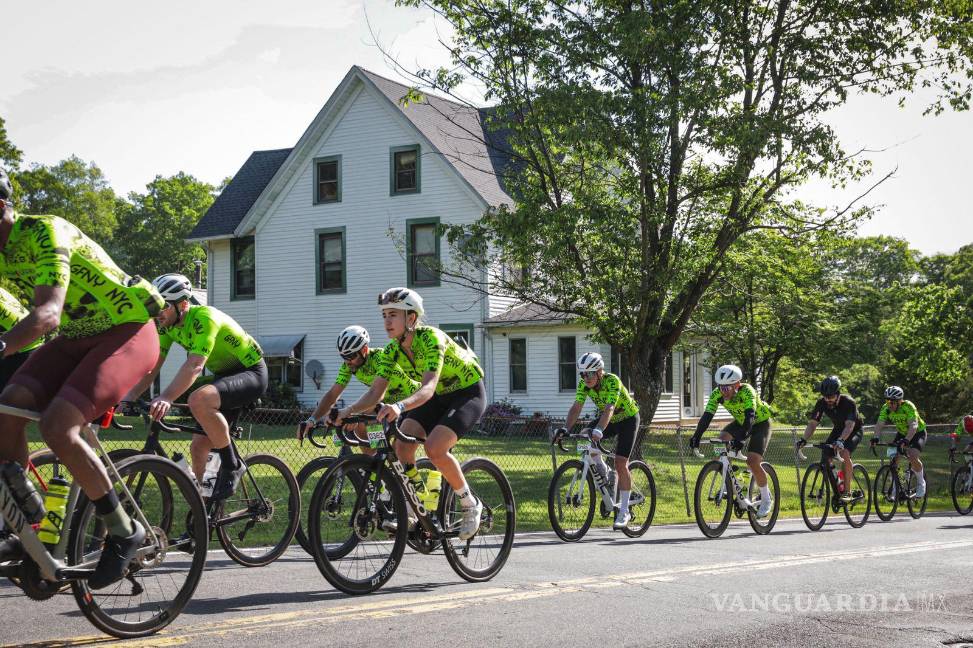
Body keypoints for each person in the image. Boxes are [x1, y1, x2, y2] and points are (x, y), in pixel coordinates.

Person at [0, 167, 165, 588]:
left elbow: (48, 314)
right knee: (9, 402)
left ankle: (125, 531)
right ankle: (29, 524)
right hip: (76, 337)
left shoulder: (44, 232)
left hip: (126, 330)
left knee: (58, 426)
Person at [335, 287, 486, 540]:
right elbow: (375, 393)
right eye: (384, 315)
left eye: (393, 315)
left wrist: (399, 407)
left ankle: (470, 503)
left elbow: (427, 388)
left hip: (466, 392)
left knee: (435, 449)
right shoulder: (392, 350)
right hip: (437, 397)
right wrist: (346, 413)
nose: (387, 321)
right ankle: (416, 510)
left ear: (412, 318)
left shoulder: (431, 339)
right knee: (401, 448)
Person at [126, 273, 267, 500]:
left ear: (183, 304)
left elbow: (194, 365)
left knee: (198, 399)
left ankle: (232, 465)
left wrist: (167, 397)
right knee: (199, 447)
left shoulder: (204, 319)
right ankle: (203, 511)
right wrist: (130, 395)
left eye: (164, 306)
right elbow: (153, 366)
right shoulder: (167, 326)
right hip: (223, 377)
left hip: (251, 373)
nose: (158, 312)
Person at [298, 325, 420, 456]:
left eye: (351, 356)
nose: (347, 361)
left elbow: (376, 395)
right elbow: (333, 394)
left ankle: (388, 461)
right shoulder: (349, 365)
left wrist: (351, 412)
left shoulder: (382, 359)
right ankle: (375, 460)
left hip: (411, 402)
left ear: (364, 349)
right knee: (364, 426)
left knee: (399, 452)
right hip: (387, 404)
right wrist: (312, 420)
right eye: (343, 356)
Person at [554, 352, 640, 530]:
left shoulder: (612, 381)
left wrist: (599, 429)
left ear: (600, 372)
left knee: (621, 462)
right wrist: (565, 429)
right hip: (610, 420)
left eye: (590, 373)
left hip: (628, 419)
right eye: (583, 374)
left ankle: (624, 511)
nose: (586, 378)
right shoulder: (584, 385)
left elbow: (609, 408)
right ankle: (605, 472)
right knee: (585, 432)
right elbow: (576, 407)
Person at [689, 364, 775, 517]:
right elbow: (707, 417)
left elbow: (750, 417)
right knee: (719, 445)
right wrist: (697, 436)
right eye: (721, 387)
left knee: (752, 461)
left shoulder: (747, 391)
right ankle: (729, 480)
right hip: (741, 423)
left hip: (759, 423)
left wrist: (741, 440)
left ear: (737, 384)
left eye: (727, 388)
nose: (723, 391)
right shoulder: (718, 394)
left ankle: (766, 498)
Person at [796, 375, 864, 501]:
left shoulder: (849, 402)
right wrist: (803, 439)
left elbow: (849, 426)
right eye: (825, 397)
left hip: (854, 430)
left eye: (831, 397)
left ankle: (847, 492)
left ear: (838, 394)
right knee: (826, 453)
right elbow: (812, 424)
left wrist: (841, 441)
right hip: (838, 429)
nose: (828, 400)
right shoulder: (822, 403)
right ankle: (838, 483)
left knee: (844, 453)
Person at [870, 385, 928, 497]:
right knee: (893, 458)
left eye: (893, 402)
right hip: (902, 432)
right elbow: (879, 424)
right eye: (888, 401)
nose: (890, 405)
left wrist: (906, 440)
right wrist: (875, 437)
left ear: (900, 401)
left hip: (917, 433)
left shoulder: (908, 406)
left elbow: (914, 425)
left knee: (912, 456)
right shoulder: (886, 408)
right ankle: (896, 488)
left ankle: (921, 482)